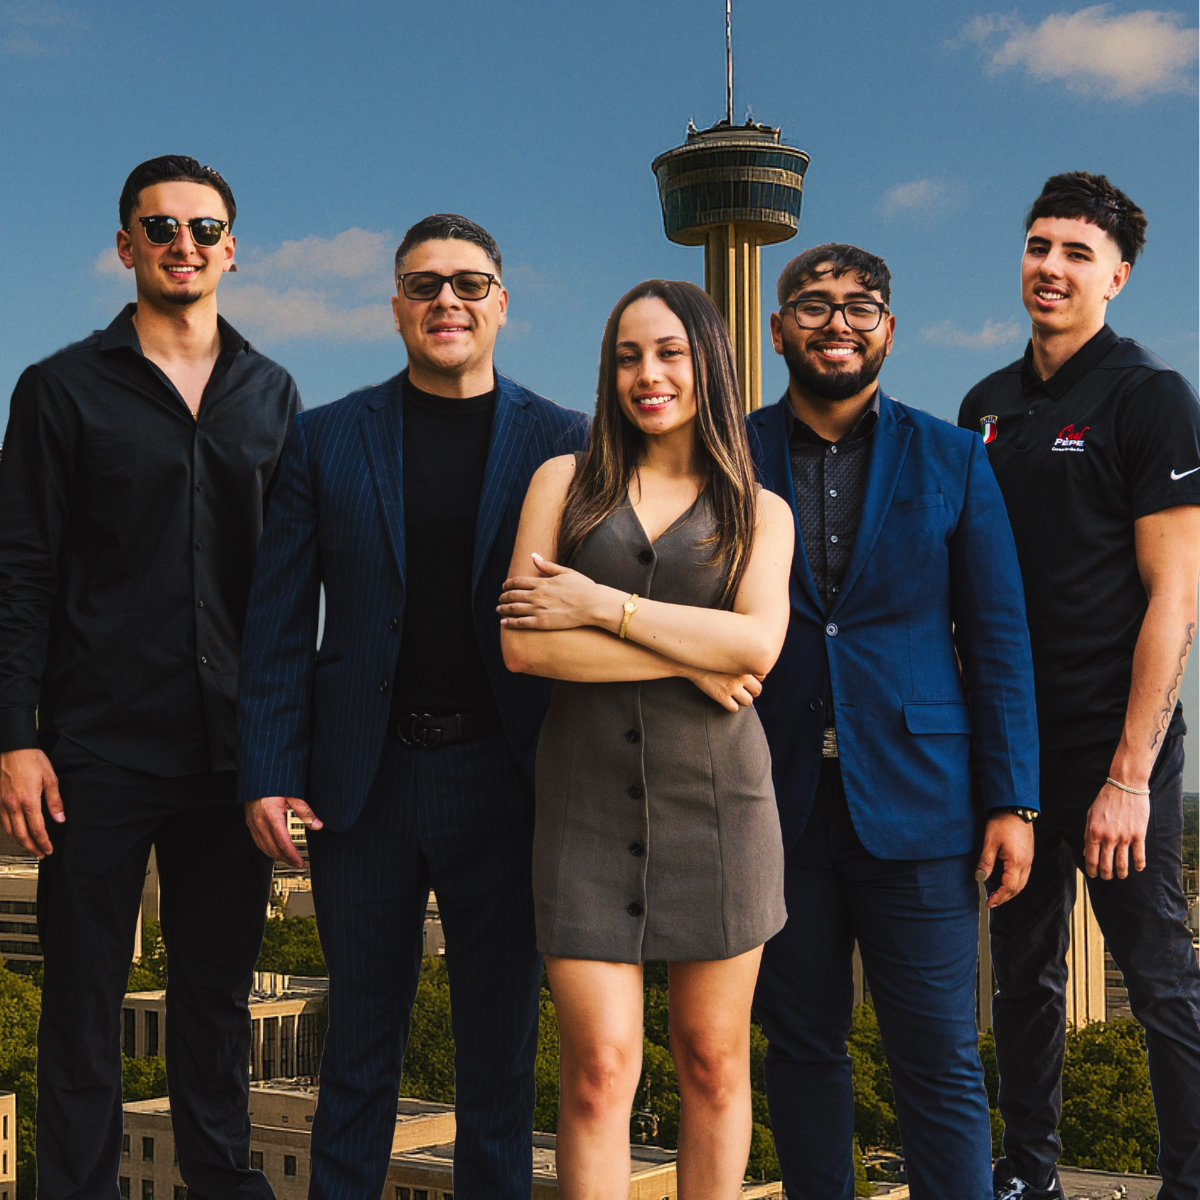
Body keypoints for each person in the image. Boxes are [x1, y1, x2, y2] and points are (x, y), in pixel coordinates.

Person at [236, 214, 589, 1200]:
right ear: (395, 305)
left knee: (498, 1069)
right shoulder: (322, 441)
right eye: (426, 285)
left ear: (502, 304)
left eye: (470, 284)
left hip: (509, 782)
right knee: (355, 1060)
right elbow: (276, 626)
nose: (448, 302)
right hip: (364, 784)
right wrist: (268, 770)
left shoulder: (567, 441)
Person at [0, 155, 300, 1200]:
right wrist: (15, 735)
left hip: (233, 754)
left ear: (232, 247)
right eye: (161, 228)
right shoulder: (57, 392)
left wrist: (284, 743)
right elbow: (21, 573)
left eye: (205, 229)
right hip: (96, 751)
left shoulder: (272, 395)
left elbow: (285, 581)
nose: (185, 245)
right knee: (83, 1009)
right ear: (126, 246)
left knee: (215, 1005)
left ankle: (223, 1187)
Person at [745, 244, 1040, 1198]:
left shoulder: (952, 455)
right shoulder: (726, 450)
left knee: (940, 1059)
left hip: (923, 806)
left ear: (890, 330)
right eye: (815, 304)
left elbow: (998, 638)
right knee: (800, 1049)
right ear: (777, 325)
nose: (838, 322)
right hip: (771, 800)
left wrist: (1014, 802)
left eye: (861, 306)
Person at [498, 279, 794, 1199]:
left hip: (721, 813)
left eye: (669, 352)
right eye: (628, 356)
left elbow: (755, 647)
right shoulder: (562, 481)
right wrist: (689, 658)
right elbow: (522, 645)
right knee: (596, 1073)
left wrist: (598, 605)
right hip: (583, 812)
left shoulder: (761, 510)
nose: (647, 374)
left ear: (708, 362)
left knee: (712, 1062)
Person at [959, 172, 1200, 1200]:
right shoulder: (986, 408)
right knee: (1022, 976)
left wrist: (1132, 777)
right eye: (1036, 246)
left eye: (1073, 253)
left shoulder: (1149, 398)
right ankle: (1031, 1172)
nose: (1048, 268)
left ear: (1117, 277)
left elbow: (1174, 601)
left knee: (1156, 982)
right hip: (1012, 752)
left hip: (1116, 749)